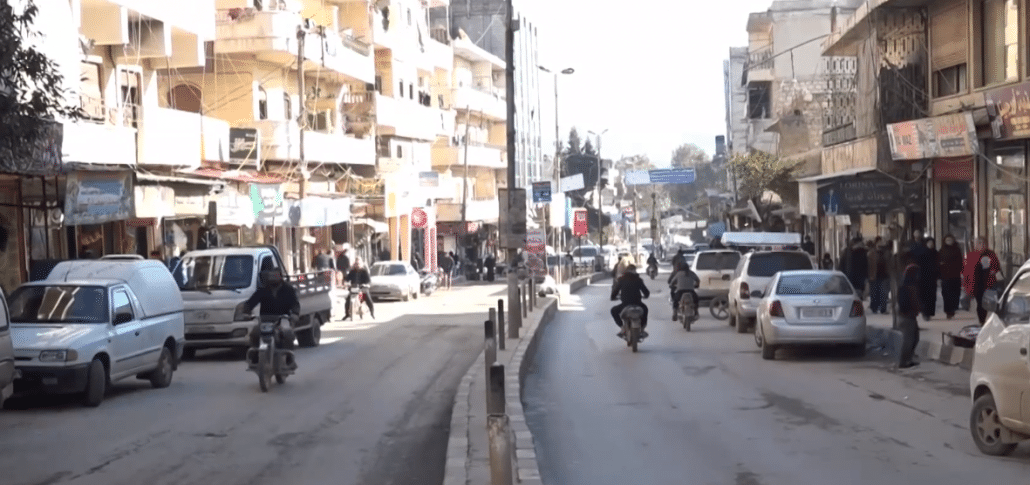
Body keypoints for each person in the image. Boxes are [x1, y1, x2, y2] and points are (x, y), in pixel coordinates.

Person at [241, 268, 300, 369]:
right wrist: (245, 311)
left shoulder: (288, 289)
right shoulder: (263, 289)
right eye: (271, 276)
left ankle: (289, 360)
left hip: (283, 319)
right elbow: (251, 302)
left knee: (288, 333)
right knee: (255, 333)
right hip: (265, 319)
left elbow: (295, 304)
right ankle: (255, 359)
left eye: (275, 276)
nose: (273, 278)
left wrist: (295, 314)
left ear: (280, 277)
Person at [964, 236, 1002, 325]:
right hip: (976, 283)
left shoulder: (991, 254)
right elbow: (966, 269)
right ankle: (982, 320)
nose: (981, 245)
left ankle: (987, 319)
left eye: (982, 243)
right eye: (979, 243)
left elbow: (996, 266)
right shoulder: (972, 255)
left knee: (988, 302)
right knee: (980, 303)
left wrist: (993, 270)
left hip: (989, 283)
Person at [610, 264, 651, 338]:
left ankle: (622, 328)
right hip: (638, 303)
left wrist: (613, 297)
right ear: (634, 271)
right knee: (645, 310)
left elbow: (615, 291)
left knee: (613, 311)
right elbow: (646, 292)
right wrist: (645, 296)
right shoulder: (638, 280)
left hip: (625, 305)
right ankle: (642, 329)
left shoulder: (621, 279)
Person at [897, 252, 921, 369]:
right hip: (907, 316)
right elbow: (906, 302)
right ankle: (903, 361)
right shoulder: (907, 287)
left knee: (915, 338)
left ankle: (908, 359)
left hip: (910, 315)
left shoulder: (910, 285)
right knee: (909, 339)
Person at [938, 234, 964, 319]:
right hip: (945, 275)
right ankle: (948, 311)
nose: (949, 241)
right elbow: (938, 262)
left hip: (955, 275)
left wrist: (960, 270)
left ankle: (953, 309)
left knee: (955, 293)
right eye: (947, 240)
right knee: (946, 293)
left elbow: (960, 262)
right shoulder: (942, 250)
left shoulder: (957, 250)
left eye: (950, 240)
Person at [917, 237, 940, 321]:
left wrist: (938, 276)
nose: (931, 244)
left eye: (932, 243)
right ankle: (925, 313)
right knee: (924, 296)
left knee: (932, 297)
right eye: (929, 243)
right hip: (923, 278)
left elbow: (938, 265)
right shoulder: (922, 253)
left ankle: (930, 313)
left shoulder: (936, 253)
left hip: (933, 278)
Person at [867, 240, 890, 314]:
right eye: (880, 247)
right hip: (875, 276)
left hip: (883, 276)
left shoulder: (887, 254)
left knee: (882, 293)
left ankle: (881, 308)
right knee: (875, 293)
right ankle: (875, 307)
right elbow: (869, 265)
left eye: (882, 247)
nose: (881, 248)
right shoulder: (871, 254)